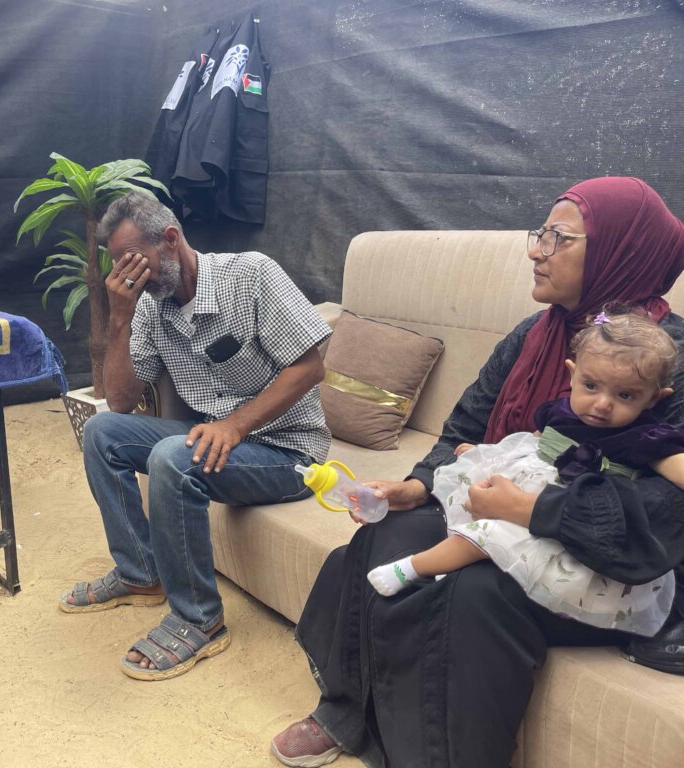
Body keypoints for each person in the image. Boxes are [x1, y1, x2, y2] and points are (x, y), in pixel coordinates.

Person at [271, 176, 684, 768]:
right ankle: (347, 711)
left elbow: (666, 512)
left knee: (474, 591)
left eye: (558, 238)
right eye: (540, 234)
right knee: (389, 534)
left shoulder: (667, 360)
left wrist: (532, 510)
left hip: (607, 560)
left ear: (622, 249)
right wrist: (417, 485)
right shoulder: (534, 335)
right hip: (501, 511)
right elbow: (465, 427)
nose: (536, 251)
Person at [61, 191, 331, 680]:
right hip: (214, 438)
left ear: (170, 239)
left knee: (172, 455)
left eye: (131, 260)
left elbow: (309, 368)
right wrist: (119, 319)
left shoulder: (250, 275)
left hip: (286, 449)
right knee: (101, 431)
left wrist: (234, 425)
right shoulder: (150, 307)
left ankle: (199, 619)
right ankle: (140, 574)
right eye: (117, 265)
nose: (126, 276)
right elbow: (120, 400)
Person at [369, 310, 683, 637]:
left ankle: (413, 568)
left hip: (565, 520)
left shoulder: (644, 438)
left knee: (489, 533)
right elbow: (531, 442)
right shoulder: (561, 411)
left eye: (625, 395)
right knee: (457, 508)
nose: (602, 404)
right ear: (572, 374)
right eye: (591, 386)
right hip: (523, 488)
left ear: (654, 399)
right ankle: (444, 566)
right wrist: (484, 454)